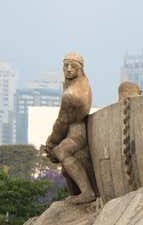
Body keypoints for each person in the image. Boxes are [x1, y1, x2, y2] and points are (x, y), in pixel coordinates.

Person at [45, 53, 96, 204]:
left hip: (77, 131)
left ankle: (87, 192)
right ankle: (76, 193)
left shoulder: (72, 94)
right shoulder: (79, 82)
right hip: (73, 128)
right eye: (65, 65)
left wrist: (51, 143)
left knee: (61, 151)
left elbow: (62, 121)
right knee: (65, 165)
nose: (68, 69)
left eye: (72, 66)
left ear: (80, 68)